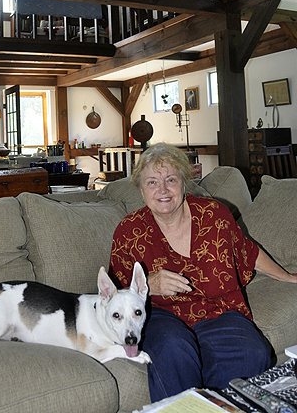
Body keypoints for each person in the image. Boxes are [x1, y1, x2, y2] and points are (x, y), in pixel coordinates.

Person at [109, 143, 297, 402]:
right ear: (142, 190)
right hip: (160, 314)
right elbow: (113, 295)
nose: (162, 189)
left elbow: (247, 252)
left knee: (251, 351)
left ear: (184, 184)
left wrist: (287, 277)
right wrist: (148, 285)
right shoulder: (129, 231)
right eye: (152, 182)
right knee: (173, 348)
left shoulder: (214, 215)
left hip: (218, 310)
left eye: (171, 180)